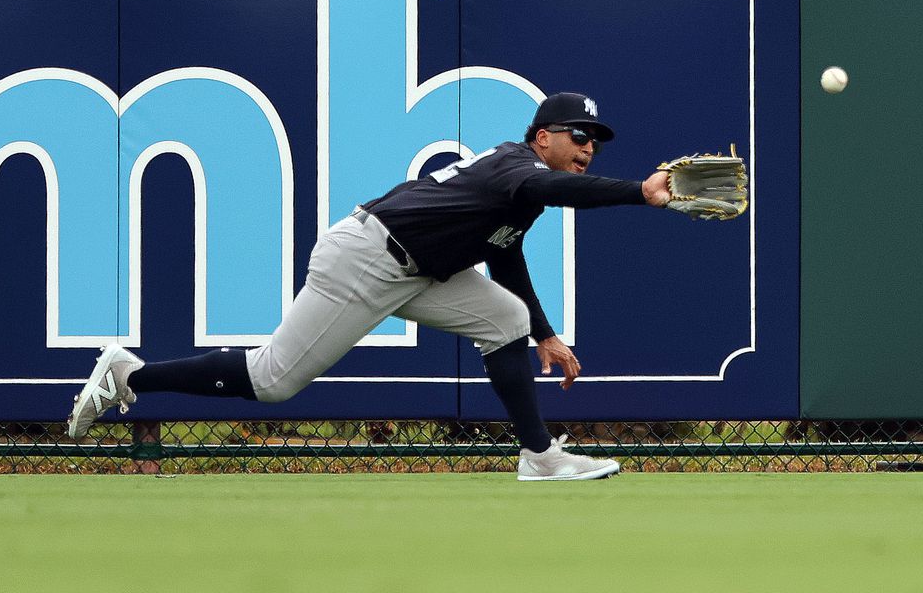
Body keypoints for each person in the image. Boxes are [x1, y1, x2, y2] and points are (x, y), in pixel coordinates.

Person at [67, 92, 672, 480]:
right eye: (578, 134)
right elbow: (544, 191)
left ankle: (540, 458)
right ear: (543, 135)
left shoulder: (523, 182)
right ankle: (129, 374)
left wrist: (543, 335)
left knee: (506, 319)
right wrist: (637, 192)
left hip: (416, 269)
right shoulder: (518, 167)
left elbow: (505, 255)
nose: (589, 147)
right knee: (274, 381)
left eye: (596, 140)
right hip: (367, 259)